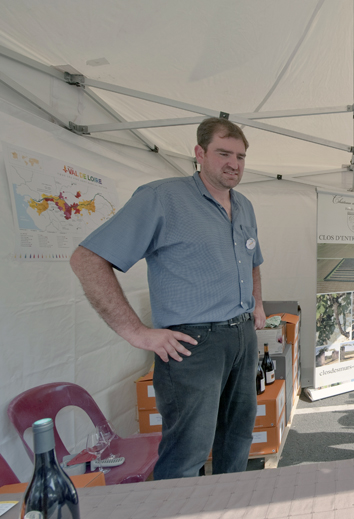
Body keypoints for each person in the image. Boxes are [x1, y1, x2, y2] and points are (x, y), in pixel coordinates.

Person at [70, 118, 267, 479]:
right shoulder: (162, 198)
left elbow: (253, 259)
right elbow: (87, 260)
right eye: (223, 153)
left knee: (237, 437)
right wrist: (138, 333)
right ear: (199, 153)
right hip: (193, 343)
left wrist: (256, 302)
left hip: (242, 337)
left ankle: (232, 511)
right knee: (187, 452)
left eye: (240, 156)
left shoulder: (244, 206)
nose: (233, 164)